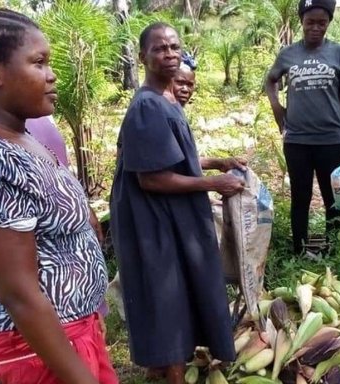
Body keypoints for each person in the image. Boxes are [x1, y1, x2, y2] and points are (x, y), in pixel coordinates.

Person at [0, 8, 117, 384]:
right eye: (38, 63)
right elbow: (19, 292)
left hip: (72, 331)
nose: (52, 74)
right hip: (40, 349)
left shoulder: (23, 139)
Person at [110, 22, 244, 384]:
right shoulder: (147, 107)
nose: (169, 54)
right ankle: (170, 371)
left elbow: (169, 158)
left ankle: (159, 367)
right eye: (159, 48)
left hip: (167, 213)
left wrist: (218, 163)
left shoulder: (167, 98)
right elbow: (151, 177)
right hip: (151, 219)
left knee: (178, 287)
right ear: (143, 57)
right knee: (165, 294)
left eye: (174, 47)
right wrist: (213, 183)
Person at [265, 0, 340, 256]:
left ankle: (331, 249)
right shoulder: (288, 54)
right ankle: (300, 250)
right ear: (301, 22)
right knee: (300, 197)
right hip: (297, 141)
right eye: (310, 22)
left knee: (334, 201)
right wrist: (276, 107)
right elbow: (270, 80)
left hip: (332, 140)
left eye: (322, 23)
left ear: (329, 23)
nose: (315, 28)